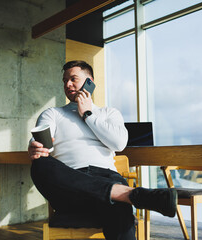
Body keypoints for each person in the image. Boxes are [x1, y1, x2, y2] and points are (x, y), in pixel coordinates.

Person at [28, 60, 177, 240]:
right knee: (40, 165)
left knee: (119, 212)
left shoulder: (109, 113)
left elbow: (119, 144)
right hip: (71, 186)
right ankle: (132, 195)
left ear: (89, 81)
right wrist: (36, 145)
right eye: (64, 81)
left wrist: (88, 115)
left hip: (106, 176)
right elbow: (42, 134)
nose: (67, 84)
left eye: (73, 79)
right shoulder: (53, 114)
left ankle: (120, 195)